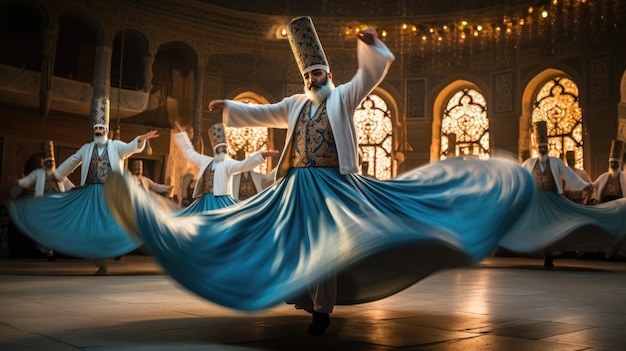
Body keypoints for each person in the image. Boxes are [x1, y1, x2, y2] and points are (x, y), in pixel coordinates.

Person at [103, 17, 626, 337]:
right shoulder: (295, 103)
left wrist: (373, 45)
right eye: (307, 75)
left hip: (332, 184)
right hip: (297, 186)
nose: (312, 81)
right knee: (287, 241)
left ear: (328, 74)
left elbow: (371, 74)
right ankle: (299, 293)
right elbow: (261, 116)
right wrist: (226, 107)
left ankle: (322, 310)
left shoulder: (342, 97)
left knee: (328, 247)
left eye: (318, 74)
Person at [9, 96, 159, 275]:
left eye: (101, 128)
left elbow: (130, 148)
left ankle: (125, 244)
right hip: (90, 192)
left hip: (109, 193)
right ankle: (101, 263)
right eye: (96, 128)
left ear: (107, 130)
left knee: (114, 223)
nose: (98, 131)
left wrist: (140, 140)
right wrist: (56, 176)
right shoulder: (86, 148)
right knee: (90, 227)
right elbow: (71, 162)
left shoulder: (116, 146)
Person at [521, 121, 593, 268]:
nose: (542, 150)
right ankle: (537, 251)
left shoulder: (555, 162)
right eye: (540, 148)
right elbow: (519, 178)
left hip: (553, 199)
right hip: (536, 200)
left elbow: (569, 176)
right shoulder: (529, 163)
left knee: (551, 228)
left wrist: (585, 186)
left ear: (547, 148)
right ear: (536, 148)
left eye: (544, 148)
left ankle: (549, 255)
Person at [173, 121, 278, 214]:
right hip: (206, 200)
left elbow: (244, 164)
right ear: (215, 149)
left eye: (225, 148)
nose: (223, 150)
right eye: (220, 148)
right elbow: (190, 152)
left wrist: (262, 155)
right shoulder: (205, 161)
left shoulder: (228, 163)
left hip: (221, 199)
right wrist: (182, 134)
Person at [12, 141, 74, 261]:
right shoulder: (35, 176)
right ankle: (45, 250)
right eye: (40, 164)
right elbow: (14, 194)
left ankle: (53, 250)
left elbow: (71, 189)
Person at [590, 140, 626, 204]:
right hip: (605, 203)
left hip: (619, 203)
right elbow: (593, 187)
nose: (613, 165)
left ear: (619, 164)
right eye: (611, 162)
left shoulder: (624, 176)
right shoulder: (604, 176)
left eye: (615, 162)